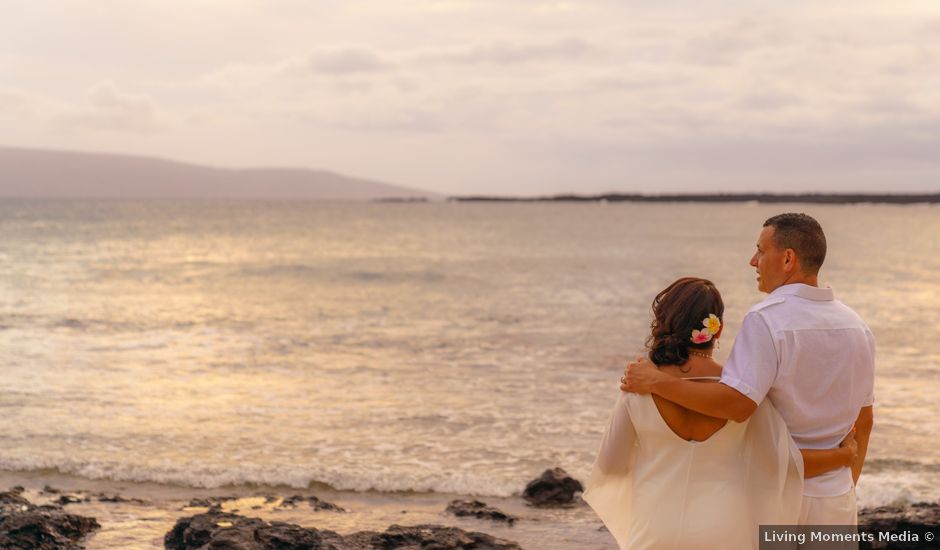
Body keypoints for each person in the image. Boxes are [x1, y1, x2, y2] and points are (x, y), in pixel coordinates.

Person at [621, 213, 875, 529]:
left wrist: (657, 381)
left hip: (774, 501)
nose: (752, 261)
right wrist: (844, 485)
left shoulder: (767, 319)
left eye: (760, 250)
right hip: (836, 501)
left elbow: (737, 404)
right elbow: (864, 423)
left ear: (787, 259)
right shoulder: (858, 328)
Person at [584, 277, 857, 549]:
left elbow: (610, 466)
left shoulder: (637, 385)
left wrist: (654, 458)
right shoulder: (741, 392)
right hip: (726, 530)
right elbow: (780, 464)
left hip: (655, 528)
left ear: (664, 322)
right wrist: (842, 455)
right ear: (718, 329)